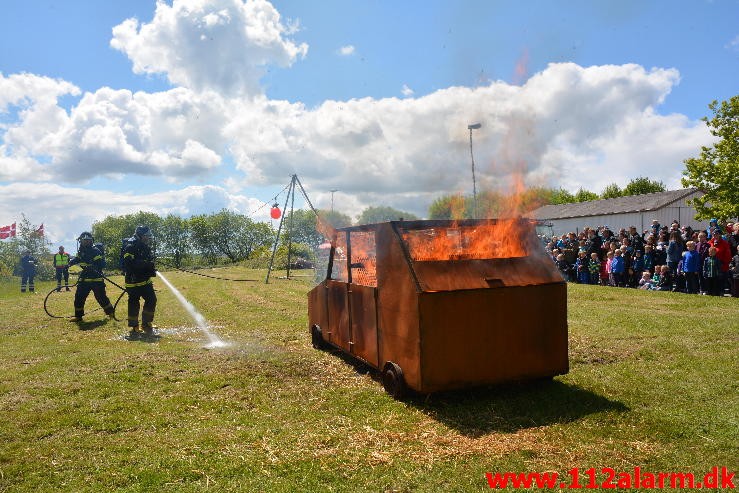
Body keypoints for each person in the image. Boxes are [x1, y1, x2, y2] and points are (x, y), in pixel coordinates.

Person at [68, 232, 115, 322]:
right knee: (79, 297)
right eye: (84, 241)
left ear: (91, 241)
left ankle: (111, 313)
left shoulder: (95, 251)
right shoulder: (80, 252)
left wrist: (93, 266)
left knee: (101, 298)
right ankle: (78, 316)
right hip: (84, 279)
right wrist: (70, 263)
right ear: (81, 241)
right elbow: (76, 260)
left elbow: (101, 264)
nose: (86, 242)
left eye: (88, 241)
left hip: (96, 279)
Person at [123, 225, 158, 337]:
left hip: (145, 280)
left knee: (152, 299)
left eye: (149, 236)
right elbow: (128, 263)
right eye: (146, 236)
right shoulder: (130, 246)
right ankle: (134, 326)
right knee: (133, 303)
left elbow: (148, 261)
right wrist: (144, 263)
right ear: (140, 235)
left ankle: (146, 323)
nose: (148, 238)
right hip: (133, 281)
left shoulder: (146, 247)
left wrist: (150, 266)